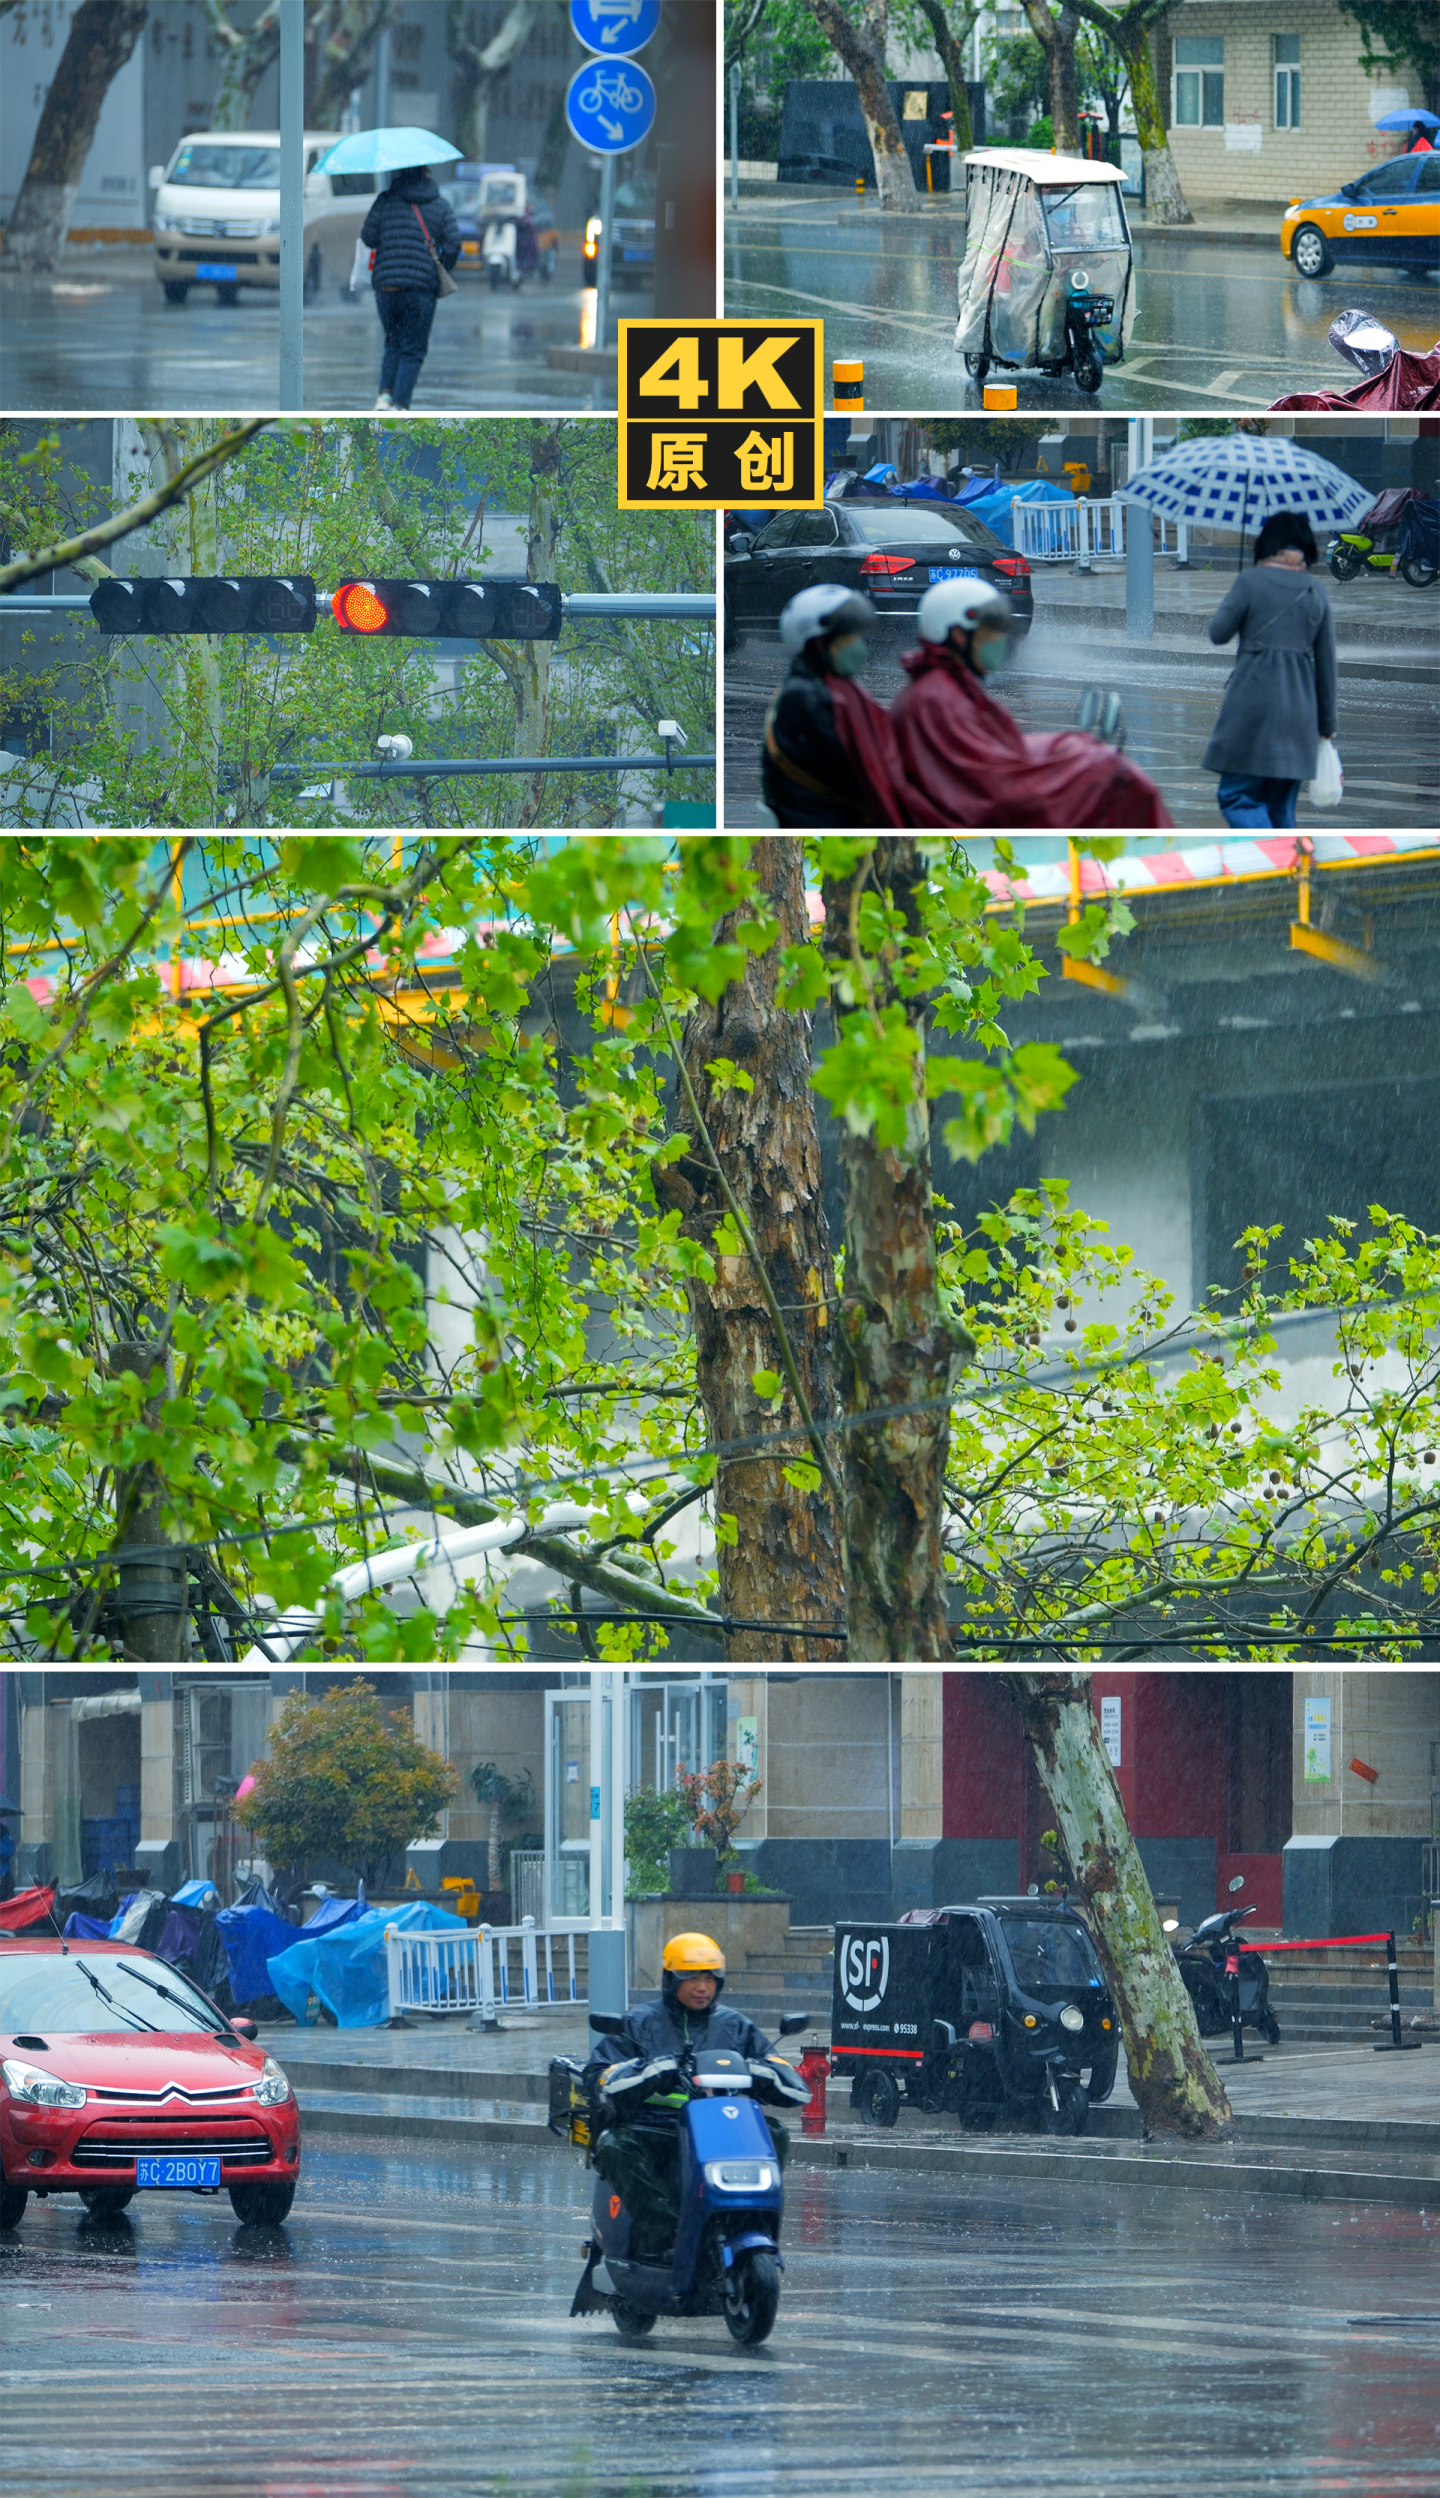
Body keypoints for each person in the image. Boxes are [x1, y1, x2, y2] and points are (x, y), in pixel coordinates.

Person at [890, 582, 1174, 828]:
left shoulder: (947, 689)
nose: (1001, 641)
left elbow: (993, 756)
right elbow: (992, 789)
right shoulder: (939, 699)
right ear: (959, 635)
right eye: (990, 632)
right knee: (1115, 777)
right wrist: (1089, 764)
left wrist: (1066, 746)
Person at [585, 1933, 801, 2256]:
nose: (702, 1987)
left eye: (710, 1978)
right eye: (692, 1977)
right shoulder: (639, 2023)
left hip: (718, 2129)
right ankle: (667, 2234)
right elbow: (598, 2076)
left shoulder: (736, 2026)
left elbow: (786, 2078)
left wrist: (758, 2073)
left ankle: (747, 2223)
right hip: (655, 2130)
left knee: (773, 2132)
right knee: (612, 2144)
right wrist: (653, 2073)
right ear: (671, 1979)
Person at [1202, 512, 1337, 829]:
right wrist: (1327, 726)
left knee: (1237, 798)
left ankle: (1268, 854)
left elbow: (1218, 633)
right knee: (1281, 811)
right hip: (1300, 720)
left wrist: (1240, 590)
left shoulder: (1250, 581)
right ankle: (1288, 869)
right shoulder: (1317, 592)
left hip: (1252, 712)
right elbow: (1328, 667)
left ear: (1268, 544)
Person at [761, 585, 922, 826]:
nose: (859, 646)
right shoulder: (808, 697)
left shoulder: (826, 687)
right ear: (819, 642)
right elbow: (862, 772)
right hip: (821, 820)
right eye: (848, 637)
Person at [359, 164, 461, 411]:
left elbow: (368, 237)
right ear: (426, 173)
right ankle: (400, 404)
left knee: (393, 341)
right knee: (413, 347)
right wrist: (440, 267)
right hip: (421, 289)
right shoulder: (440, 204)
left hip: (388, 286)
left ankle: (384, 397)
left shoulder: (385, 201)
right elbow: (454, 243)